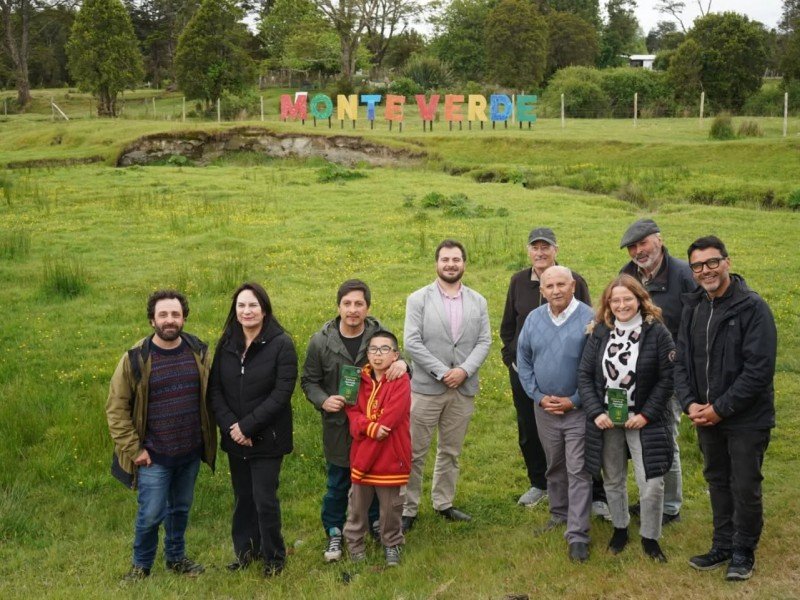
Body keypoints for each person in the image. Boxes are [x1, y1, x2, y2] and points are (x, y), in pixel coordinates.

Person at [675, 236, 776, 581]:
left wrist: (719, 408)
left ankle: (744, 551)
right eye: (698, 266)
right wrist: (690, 403)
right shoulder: (693, 307)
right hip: (705, 414)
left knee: (744, 483)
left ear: (727, 262)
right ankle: (722, 544)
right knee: (717, 480)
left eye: (712, 262)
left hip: (746, 417)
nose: (706, 271)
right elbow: (682, 363)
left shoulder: (752, 307)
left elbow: (759, 370)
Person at [106, 289, 216, 582]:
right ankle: (141, 566)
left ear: (184, 317)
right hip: (153, 456)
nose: (170, 320)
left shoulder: (199, 351)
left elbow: (212, 395)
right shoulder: (134, 359)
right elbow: (116, 410)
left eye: (175, 314)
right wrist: (135, 450)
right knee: (151, 515)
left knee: (180, 509)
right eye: (163, 314)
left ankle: (176, 558)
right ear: (152, 320)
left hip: (190, 452)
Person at [301, 279, 408, 562]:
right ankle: (335, 530)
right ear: (338, 306)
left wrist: (403, 363)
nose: (352, 310)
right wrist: (323, 400)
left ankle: (375, 524)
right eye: (347, 303)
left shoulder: (378, 333)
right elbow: (309, 380)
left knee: (374, 478)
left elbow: (397, 356)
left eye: (358, 304)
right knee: (338, 481)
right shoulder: (321, 341)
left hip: (374, 428)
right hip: (338, 425)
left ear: (367, 307)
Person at [579, 275, 675, 563]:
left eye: (627, 299)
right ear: (609, 303)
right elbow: (585, 375)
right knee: (613, 478)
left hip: (644, 420)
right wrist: (597, 412)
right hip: (608, 420)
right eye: (615, 299)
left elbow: (667, 379)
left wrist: (646, 415)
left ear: (639, 299)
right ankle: (620, 528)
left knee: (652, 482)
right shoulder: (599, 332)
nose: (621, 305)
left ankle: (650, 536)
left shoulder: (656, 332)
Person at [499, 227, 595, 510]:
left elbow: (588, 324)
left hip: (569, 374)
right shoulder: (518, 280)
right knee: (529, 427)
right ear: (528, 250)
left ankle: (593, 491)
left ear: (556, 249)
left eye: (546, 247)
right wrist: (511, 358)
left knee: (580, 430)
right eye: (534, 247)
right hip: (524, 371)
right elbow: (507, 325)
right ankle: (539, 483)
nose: (540, 252)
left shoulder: (573, 279)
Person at [209, 282, 297, 577]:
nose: (247, 311)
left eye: (253, 305)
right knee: (243, 498)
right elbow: (215, 391)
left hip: (268, 438)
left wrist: (248, 426)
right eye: (241, 306)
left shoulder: (281, 344)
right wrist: (232, 427)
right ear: (235, 311)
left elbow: (282, 392)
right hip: (235, 438)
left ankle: (274, 558)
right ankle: (246, 553)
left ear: (265, 309)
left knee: (264, 500)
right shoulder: (226, 343)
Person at [402, 239, 491, 531]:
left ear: (464, 263)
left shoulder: (478, 300)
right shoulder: (419, 299)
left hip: (462, 389)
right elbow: (411, 341)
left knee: (450, 451)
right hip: (427, 388)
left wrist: (463, 371)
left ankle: (443, 502)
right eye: (445, 259)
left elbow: (484, 341)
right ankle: (408, 508)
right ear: (436, 263)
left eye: (456, 259)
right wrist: (443, 372)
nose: (450, 264)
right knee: (415, 451)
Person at [620, 218, 697, 525]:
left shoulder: (683, 275)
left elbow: (695, 324)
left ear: (659, 240)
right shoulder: (627, 275)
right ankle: (653, 498)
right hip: (636, 373)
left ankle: (670, 507)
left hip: (672, 373)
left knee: (664, 437)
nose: (639, 251)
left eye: (643, 243)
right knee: (643, 439)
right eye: (633, 247)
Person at [516, 266, 595, 562]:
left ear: (573, 285)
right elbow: (522, 358)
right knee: (555, 465)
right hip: (545, 409)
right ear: (542, 290)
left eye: (562, 284)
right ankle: (559, 514)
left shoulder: (589, 318)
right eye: (550, 286)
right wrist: (537, 395)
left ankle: (578, 534)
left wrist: (574, 400)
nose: (556, 290)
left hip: (578, 409)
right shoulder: (535, 319)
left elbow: (598, 367)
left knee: (578, 468)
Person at [343, 330, 411, 567]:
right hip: (362, 456)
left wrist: (374, 426)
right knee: (357, 507)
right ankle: (354, 544)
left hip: (392, 456)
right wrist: (369, 428)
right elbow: (351, 412)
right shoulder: (354, 379)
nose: (378, 354)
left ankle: (391, 543)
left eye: (385, 349)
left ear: (395, 355)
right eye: (373, 349)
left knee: (391, 508)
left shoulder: (401, 380)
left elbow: (393, 416)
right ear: (367, 354)